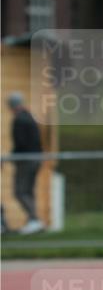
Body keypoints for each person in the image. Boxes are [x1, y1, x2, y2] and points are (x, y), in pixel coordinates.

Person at [7, 92, 44, 235]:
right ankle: (33, 221)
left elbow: (21, 143)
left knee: (20, 191)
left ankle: (34, 220)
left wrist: (12, 157)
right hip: (36, 158)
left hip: (26, 160)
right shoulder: (29, 116)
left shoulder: (19, 120)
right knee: (28, 191)